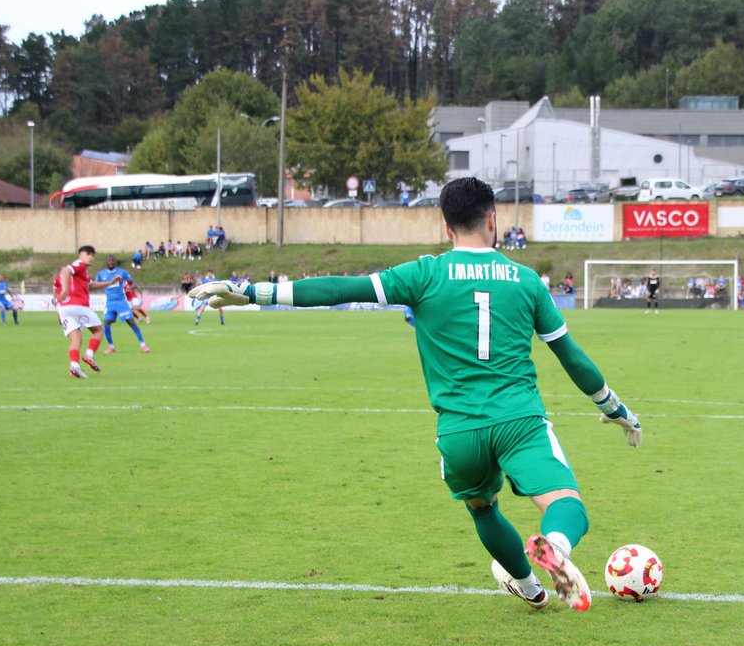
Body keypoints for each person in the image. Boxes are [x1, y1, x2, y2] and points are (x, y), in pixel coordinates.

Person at [189, 176, 642, 612]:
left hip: (459, 431)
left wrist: (254, 292)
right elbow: (571, 357)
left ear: (446, 227)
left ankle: (528, 586)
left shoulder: (424, 273)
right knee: (565, 503)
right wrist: (615, 408)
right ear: (493, 220)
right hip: (519, 420)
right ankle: (557, 547)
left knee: (483, 509)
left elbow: (340, 288)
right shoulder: (525, 280)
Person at [54, 246, 112, 379]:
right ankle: (89, 355)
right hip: (78, 306)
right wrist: (65, 289)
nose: (91, 257)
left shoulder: (83, 272)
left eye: (93, 255)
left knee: (76, 338)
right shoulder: (79, 264)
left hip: (64, 308)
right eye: (88, 254)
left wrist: (110, 282)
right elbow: (65, 270)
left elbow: (91, 286)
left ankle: (74, 366)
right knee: (98, 330)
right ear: (81, 255)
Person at [95, 255, 150, 354]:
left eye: (112, 260)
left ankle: (143, 345)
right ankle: (111, 347)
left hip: (121, 302)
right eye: (109, 260)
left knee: (131, 322)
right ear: (106, 262)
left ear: (115, 262)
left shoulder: (122, 272)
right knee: (106, 323)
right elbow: (95, 284)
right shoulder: (101, 274)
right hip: (110, 303)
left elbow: (133, 283)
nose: (111, 262)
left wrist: (129, 288)